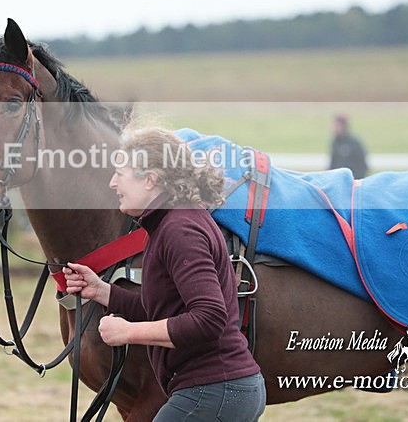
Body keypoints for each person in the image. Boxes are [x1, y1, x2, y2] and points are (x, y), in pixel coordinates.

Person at [63, 126, 265, 421]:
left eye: (120, 173)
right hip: (219, 391)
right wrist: (101, 291)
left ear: (150, 180)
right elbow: (165, 308)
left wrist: (128, 333)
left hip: (213, 392)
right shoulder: (171, 222)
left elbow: (209, 319)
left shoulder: (179, 229)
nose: (112, 183)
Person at [329, 113, 368, 179]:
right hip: (338, 181)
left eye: (336, 125)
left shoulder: (354, 143)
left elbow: (362, 166)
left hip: (352, 181)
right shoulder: (335, 142)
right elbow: (333, 163)